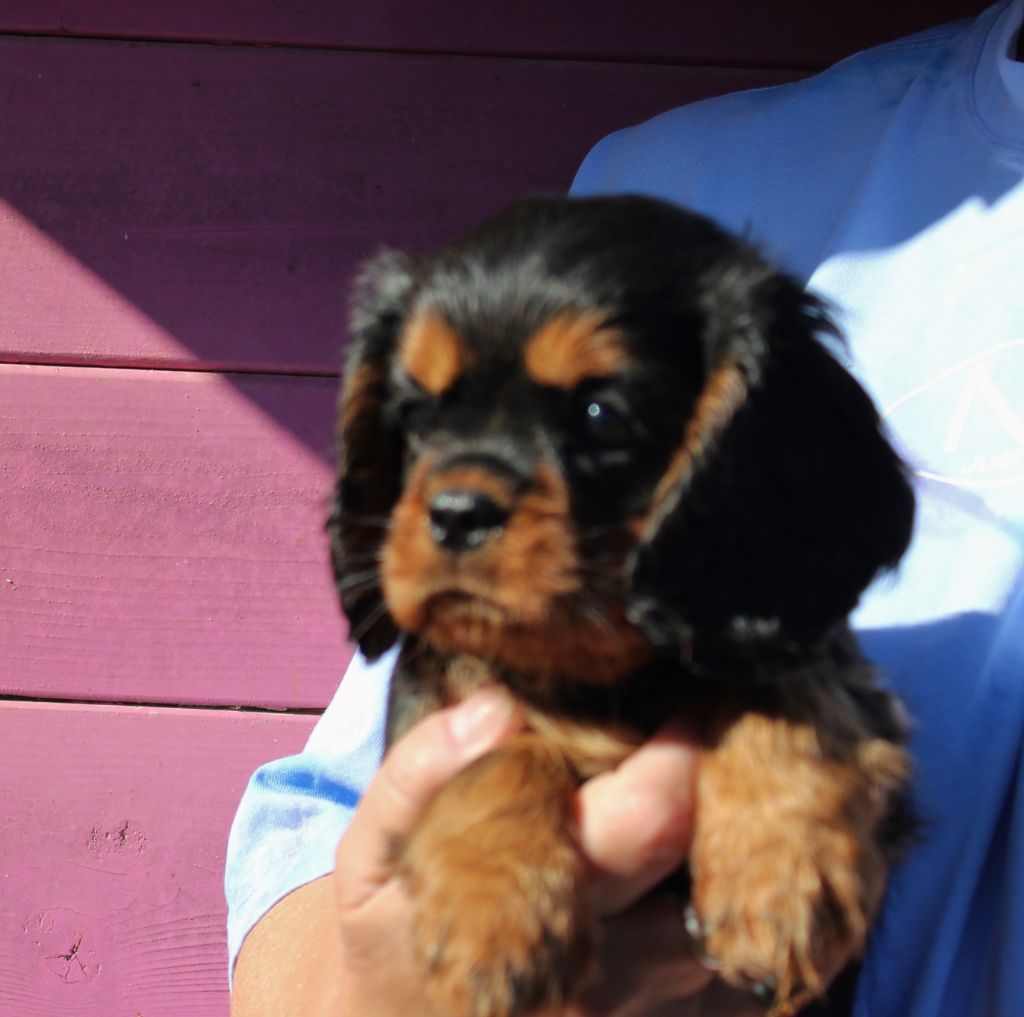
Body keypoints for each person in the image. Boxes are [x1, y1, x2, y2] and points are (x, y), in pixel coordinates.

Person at [227, 2, 1024, 1014]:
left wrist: (778, 742)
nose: (464, 489)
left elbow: (796, 659)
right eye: (426, 413)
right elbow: (332, 831)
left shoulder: (753, 414)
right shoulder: (691, 191)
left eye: (598, 412)